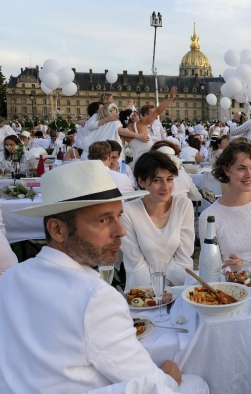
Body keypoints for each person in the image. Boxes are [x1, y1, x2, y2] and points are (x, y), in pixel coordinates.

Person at [0, 161, 207, 393]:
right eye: (102, 220)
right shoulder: (95, 298)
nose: (121, 231)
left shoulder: (10, 279)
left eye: (119, 215)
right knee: (198, 382)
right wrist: (168, 378)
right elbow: (152, 383)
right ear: (57, 230)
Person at [120, 151, 194, 288]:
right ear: (141, 181)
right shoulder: (128, 212)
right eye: (157, 180)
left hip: (176, 288)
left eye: (170, 179)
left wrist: (168, 292)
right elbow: (135, 264)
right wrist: (155, 295)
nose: (165, 187)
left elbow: (184, 259)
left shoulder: (183, 206)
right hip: (142, 293)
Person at [121, 87, 177, 166]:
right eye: (136, 114)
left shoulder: (123, 131)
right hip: (149, 159)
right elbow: (157, 111)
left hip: (137, 162)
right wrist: (170, 98)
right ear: (133, 117)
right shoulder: (140, 123)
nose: (138, 116)